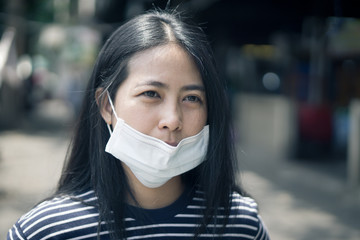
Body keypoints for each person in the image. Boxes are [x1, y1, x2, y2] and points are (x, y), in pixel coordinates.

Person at [7, 8, 270, 240]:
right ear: (107, 106)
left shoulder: (241, 225)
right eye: (151, 94)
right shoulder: (45, 230)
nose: (173, 120)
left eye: (191, 98)